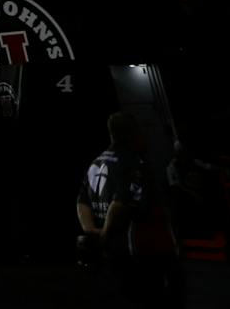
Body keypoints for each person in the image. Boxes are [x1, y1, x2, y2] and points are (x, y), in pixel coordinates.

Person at [76, 111, 182, 306]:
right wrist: (105, 235)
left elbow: (82, 202)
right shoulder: (133, 164)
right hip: (136, 253)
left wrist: (90, 231)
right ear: (131, 133)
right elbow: (120, 204)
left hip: (111, 257)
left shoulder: (96, 162)